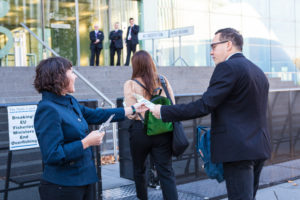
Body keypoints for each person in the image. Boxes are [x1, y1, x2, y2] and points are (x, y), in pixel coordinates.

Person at [150, 28, 271, 200]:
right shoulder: (258, 71)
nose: (211, 52)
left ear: (228, 45)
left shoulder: (227, 68)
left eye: (214, 46)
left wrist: (163, 111)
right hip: (259, 146)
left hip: (238, 150)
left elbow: (204, 105)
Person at [34, 57, 146, 200]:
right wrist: (86, 142)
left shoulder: (69, 101)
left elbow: (96, 115)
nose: (75, 76)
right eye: (72, 72)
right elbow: (52, 154)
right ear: (58, 77)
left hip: (84, 179)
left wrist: (131, 109)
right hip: (63, 187)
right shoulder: (47, 109)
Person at [123, 50, 178, 200]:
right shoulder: (162, 80)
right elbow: (172, 105)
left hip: (140, 130)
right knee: (166, 172)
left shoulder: (130, 84)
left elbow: (131, 113)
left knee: (139, 170)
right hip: (162, 130)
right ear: (151, 62)